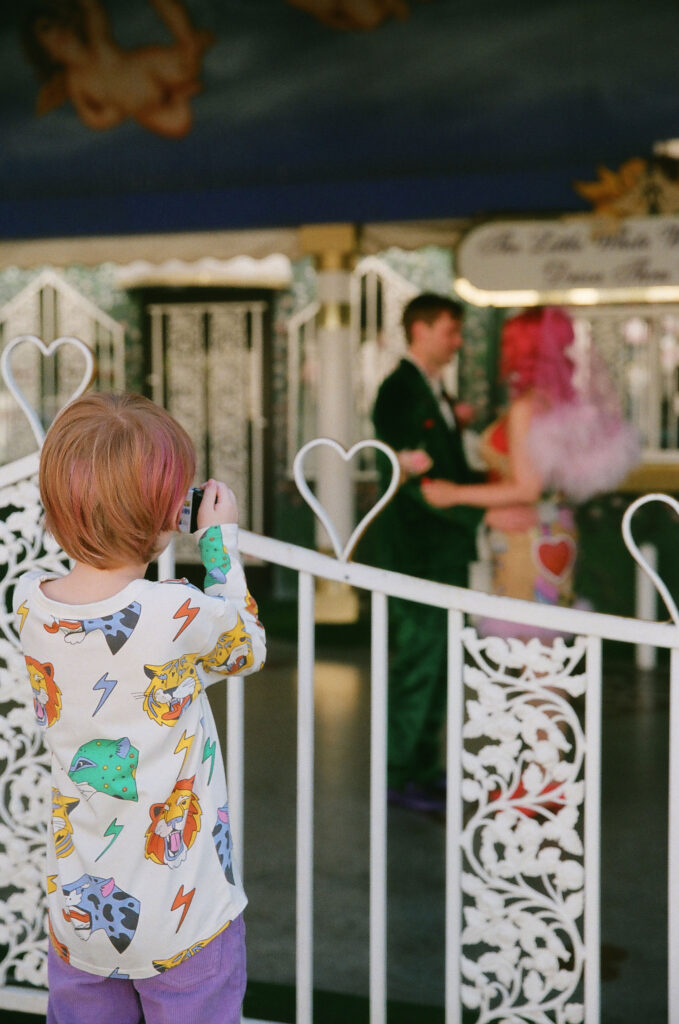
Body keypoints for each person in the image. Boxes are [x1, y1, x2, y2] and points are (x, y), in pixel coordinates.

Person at [12, 392, 266, 1024]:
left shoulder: (30, 606)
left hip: (81, 913)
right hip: (187, 920)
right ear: (163, 516)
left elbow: (127, 658)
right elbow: (246, 649)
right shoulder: (177, 613)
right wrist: (218, 545)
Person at [420, 306, 640, 637]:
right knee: (544, 651)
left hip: (526, 535)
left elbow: (527, 488)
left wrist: (452, 494)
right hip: (551, 528)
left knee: (530, 648)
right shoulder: (555, 400)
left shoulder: (527, 407)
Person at [370, 292, 484, 814]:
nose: (457, 342)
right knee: (420, 659)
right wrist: (473, 508)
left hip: (442, 550)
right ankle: (399, 773)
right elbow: (408, 477)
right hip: (418, 550)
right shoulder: (398, 391)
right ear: (420, 330)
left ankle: (424, 768)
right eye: (450, 331)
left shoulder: (434, 390)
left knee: (439, 660)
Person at [21, 0, 214, 137]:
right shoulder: (76, 81)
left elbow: (93, 10)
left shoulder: (98, 42)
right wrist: (113, 112)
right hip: (147, 98)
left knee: (188, 49)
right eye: (46, 29)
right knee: (173, 116)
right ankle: (186, 65)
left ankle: (190, 42)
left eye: (56, 23)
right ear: (47, 53)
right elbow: (92, 118)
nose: (57, 31)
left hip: (151, 69)